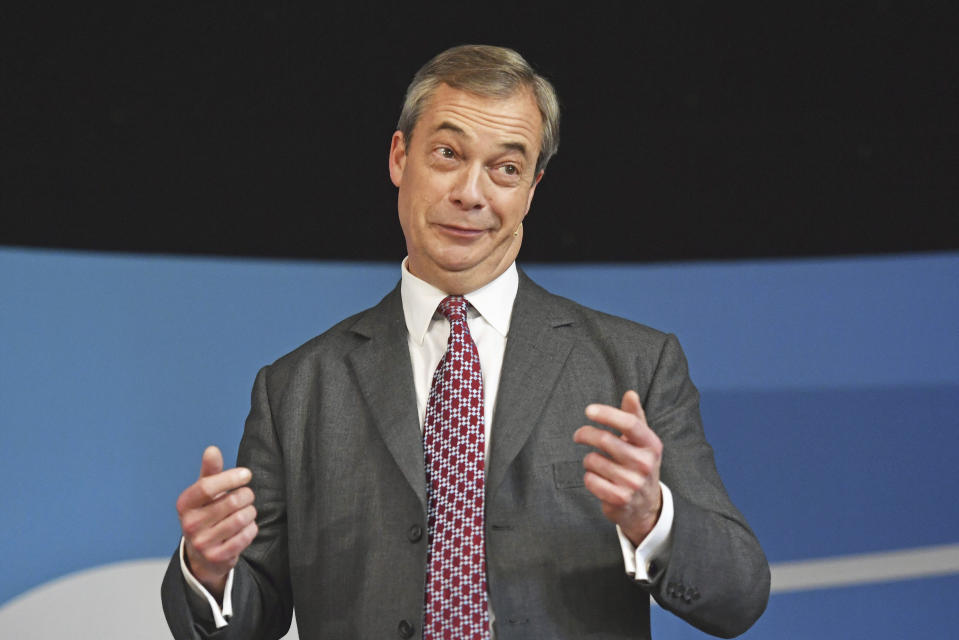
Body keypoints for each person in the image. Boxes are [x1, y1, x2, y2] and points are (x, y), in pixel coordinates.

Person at [162, 44, 770, 639]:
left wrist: (649, 517)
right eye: (448, 154)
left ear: (532, 186)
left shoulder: (635, 364)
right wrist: (211, 571)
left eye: (506, 168)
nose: (471, 194)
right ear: (400, 157)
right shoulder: (296, 389)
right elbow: (246, 618)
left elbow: (738, 598)